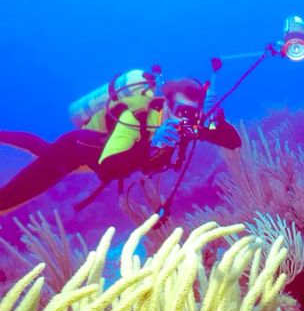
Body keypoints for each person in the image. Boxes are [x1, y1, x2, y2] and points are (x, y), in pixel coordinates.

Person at [0, 75, 241, 214]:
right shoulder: (135, 117)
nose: (186, 120)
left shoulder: (188, 124)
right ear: (166, 105)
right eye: (181, 111)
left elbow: (232, 141)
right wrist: (151, 145)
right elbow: (107, 169)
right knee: (11, 196)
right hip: (76, 152)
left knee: (40, 150)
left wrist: (216, 121)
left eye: (193, 114)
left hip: (106, 157)